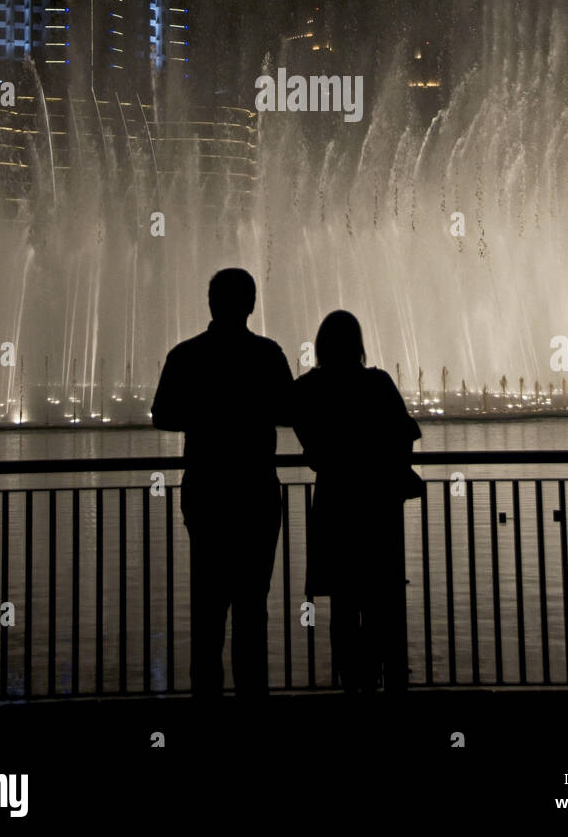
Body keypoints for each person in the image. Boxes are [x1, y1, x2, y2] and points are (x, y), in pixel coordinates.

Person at [151, 268, 294, 698]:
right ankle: (253, 699)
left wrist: (204, 415)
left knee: (208, 607)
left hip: (207, 491)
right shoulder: (267, 354)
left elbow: (162, 415)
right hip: (255, 492)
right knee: (253, 606)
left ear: (211, 303)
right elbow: (289, 412)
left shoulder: (186, 354)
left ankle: (206, 703)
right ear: (251, 305)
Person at [293, 310, 422, 694]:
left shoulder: (308, 389)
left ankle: (352, 686)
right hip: (377, 507)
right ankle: (384, 681)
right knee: (380, 603)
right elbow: (406, 435)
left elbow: (300, 430)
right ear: (359, 344)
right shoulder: (378, 383)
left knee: (343, 606)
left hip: (335, 504)